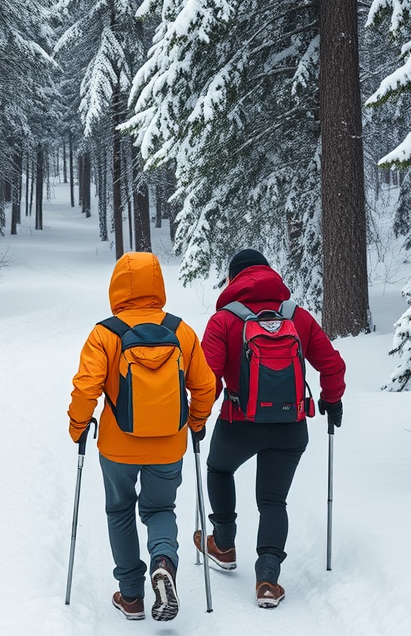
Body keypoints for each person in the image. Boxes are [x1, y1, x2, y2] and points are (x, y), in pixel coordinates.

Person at [68, 252, 214, 622]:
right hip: (168, 444)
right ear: (158, 284)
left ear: (117, 286)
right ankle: (163, 563)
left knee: (120, 512)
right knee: (160, 509)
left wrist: (77, 426)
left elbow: (87, 388)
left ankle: (131, 596)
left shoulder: (105, 332)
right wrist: (196, 422)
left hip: (118, 447)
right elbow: (205, 385)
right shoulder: (181, 331)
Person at [197, 248, 345, 608]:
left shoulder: (223, 321)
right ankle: (267, 579)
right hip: (290, 426)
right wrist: (332, 399)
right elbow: (332, 364)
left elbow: (206, 379)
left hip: (238, 424)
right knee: (273, 500)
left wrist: (197, 417)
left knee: (219, 468)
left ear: (233, 279)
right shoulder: (298, 317)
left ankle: (225, 541)